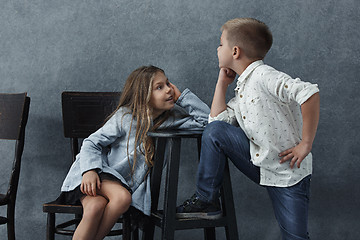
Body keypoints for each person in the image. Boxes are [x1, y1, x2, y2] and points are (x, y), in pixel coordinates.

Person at [176, 18, 320, 240]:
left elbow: (308, 93)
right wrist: (222, 84)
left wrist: (305, 144)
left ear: (235, 51)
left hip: (288, 171)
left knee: (295, 237)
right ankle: (207, 199)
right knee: (215, 132)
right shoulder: (243, 87)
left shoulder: (264, 76)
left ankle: (207, 198)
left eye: (220, 43)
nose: (217, 48)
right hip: (261, 164)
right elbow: (216, 125)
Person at [56, 65, 210, 240]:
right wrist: (89, 170)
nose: (169, 90)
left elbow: (208, 122)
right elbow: (92, 142)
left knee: (96, 206)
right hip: (94, 174)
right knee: (119, 199)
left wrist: (182, 97)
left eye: (168, 84)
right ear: (144, 95)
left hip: (117, 184)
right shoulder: (126, 117)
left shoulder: (169, 120)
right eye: (160, 87)